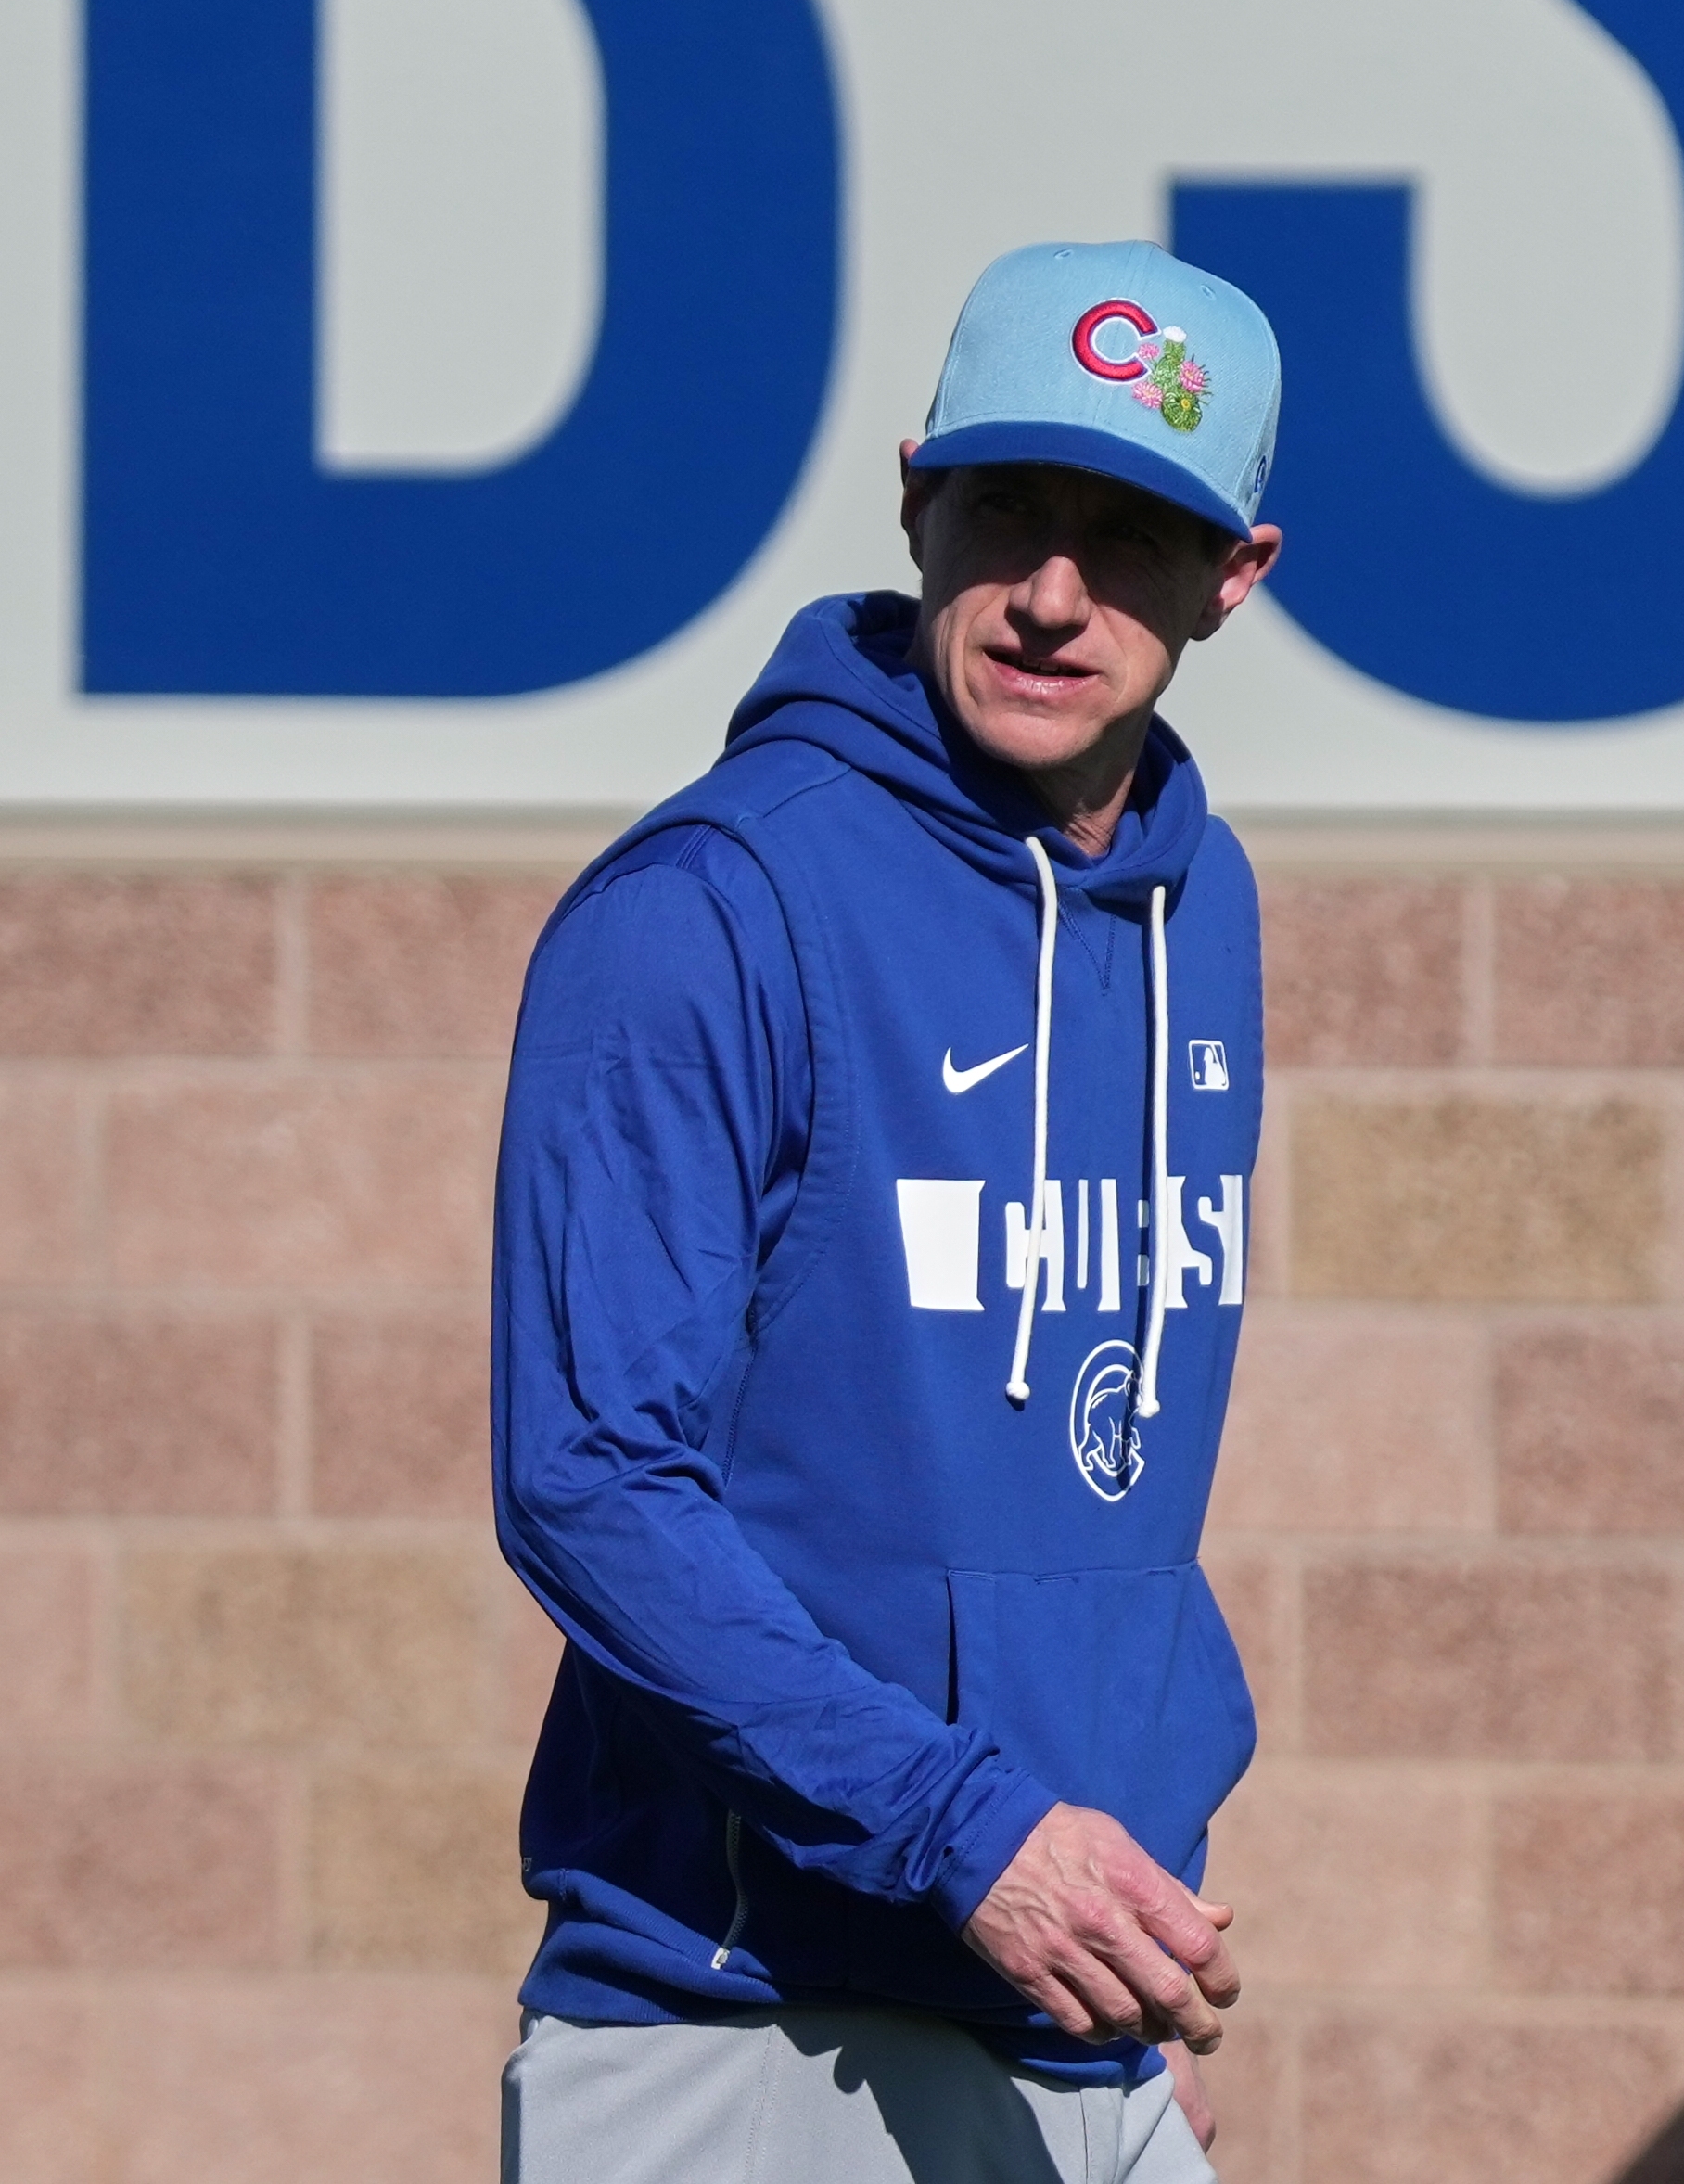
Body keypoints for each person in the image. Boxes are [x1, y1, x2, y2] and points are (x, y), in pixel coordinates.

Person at [491, 240, 1288, 2184]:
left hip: (1074, 2030)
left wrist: (1106, 1926)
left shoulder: (1208, 910)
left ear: (1236, 576)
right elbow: (591, 1481)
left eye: (1129, 530)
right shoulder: (709, 905)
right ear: (918, 494)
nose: (1050, 590)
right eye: (1009, 505)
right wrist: (966, 1831)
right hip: (747, 2034)